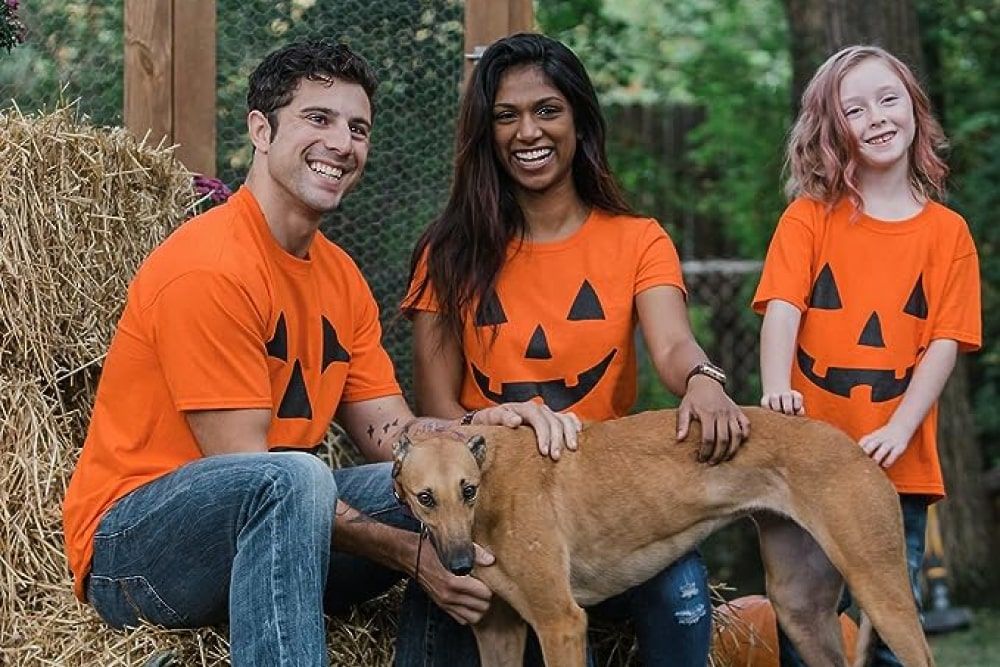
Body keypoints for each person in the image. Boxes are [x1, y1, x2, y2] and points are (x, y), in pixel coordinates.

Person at [61, 39, 577, 667]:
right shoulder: (209, 267)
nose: (343, 142)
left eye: (357, 127)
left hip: (272, 528)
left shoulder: (341, 278)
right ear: (260, 129)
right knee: (296, 477)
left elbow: (392, 434)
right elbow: (250, 472)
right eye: (318, 118)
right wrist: (402, 552)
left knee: (446, 492)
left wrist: (478, 429)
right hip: (135, 555)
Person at [401, 33, 750, 666]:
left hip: (604, 500)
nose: (527, 131)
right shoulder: (447, 252)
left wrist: (703, 377)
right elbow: (435, 404)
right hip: (493, 506)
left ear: (579, 120)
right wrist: (490, 421)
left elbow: (673, 345)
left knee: (683, 594)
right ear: (486, 132)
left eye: (547, 110)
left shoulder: (639, 240)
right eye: (506, 115)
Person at [753, 45, 981, 666]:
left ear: (914, 106)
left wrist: (903, 425)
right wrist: (777, 388)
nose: (876, 116)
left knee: (886, 623)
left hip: (893, 465)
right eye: (855, 109)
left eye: (888, 99)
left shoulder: (947, 234)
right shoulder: (808, 219)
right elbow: (782, 308)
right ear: (833, 129)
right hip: (809, 462)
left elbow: (943, 342)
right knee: (804, 619)